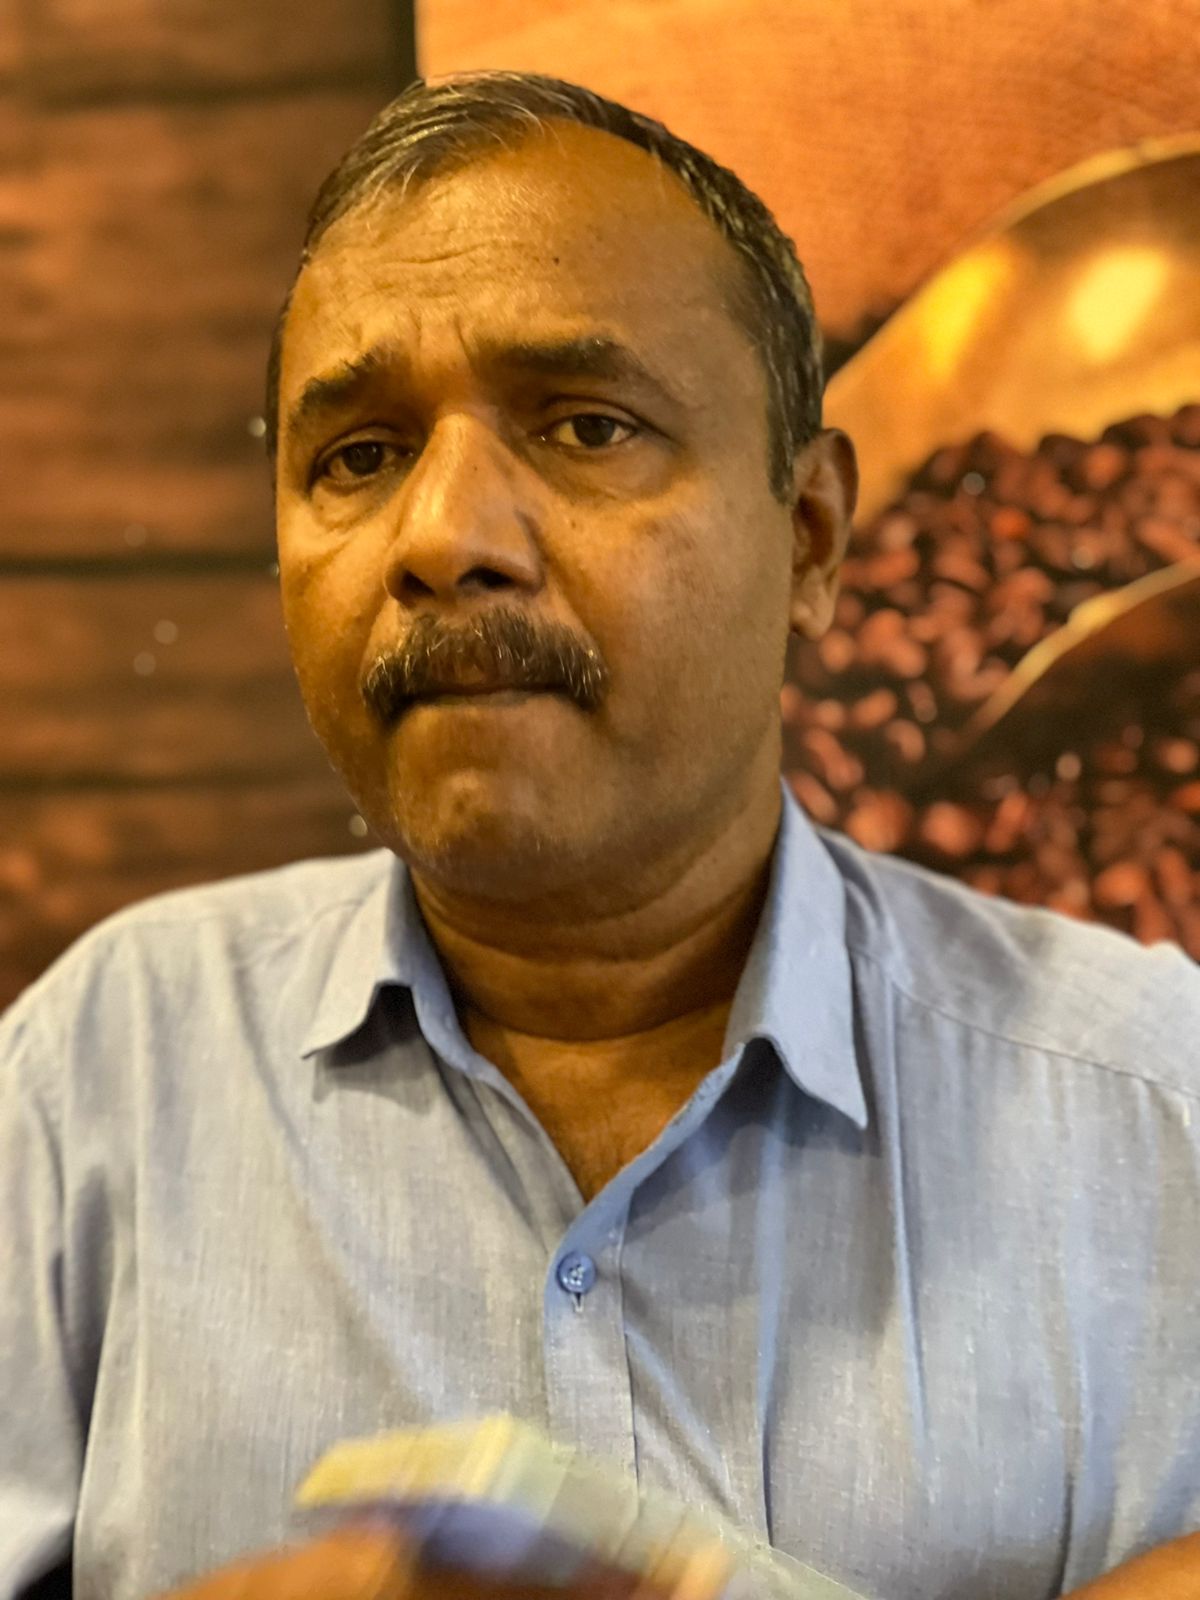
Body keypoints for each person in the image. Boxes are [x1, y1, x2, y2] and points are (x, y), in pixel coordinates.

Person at [1, 69, 1198, 1600]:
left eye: (586, 426)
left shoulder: (1146, 1112)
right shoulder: (98, 1081)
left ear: (812, 541)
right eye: (358, 456)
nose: (445, 537)